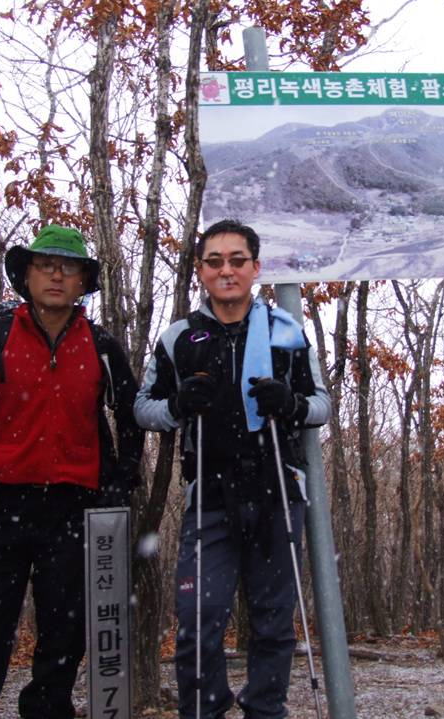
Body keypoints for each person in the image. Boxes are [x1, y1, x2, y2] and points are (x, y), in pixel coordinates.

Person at [0, 224, 143, 719]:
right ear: (25, 275)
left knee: (64, 640)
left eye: (69, 268)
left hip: (72, 511)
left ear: (83, 281)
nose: (56, 276)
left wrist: (121, 476)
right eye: (45, 265)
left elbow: (130, 415)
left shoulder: (102, 346)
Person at [134, 219, 331, 719]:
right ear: (201, 270)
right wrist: (178, 405)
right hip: (210, 495)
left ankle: (265, 709)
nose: (227, 270)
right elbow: (143, 408)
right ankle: (205, 708)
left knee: (272, 622)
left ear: (255, 268)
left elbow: (321, 405)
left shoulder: (286, 331)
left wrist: (289, 403)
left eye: (237, 260)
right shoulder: (179, 337)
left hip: (279, 492)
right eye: (215, 261)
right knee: (198, 617)